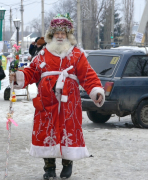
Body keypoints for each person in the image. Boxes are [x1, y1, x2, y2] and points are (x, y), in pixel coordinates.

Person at [9, 14, 105, 179]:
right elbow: (31, 72)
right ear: (51, 35)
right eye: (57, 33)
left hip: (70, 103)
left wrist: (96, 91)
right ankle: (49, 168)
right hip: (47, 102)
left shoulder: (77, 55)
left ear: (68, 35)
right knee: (47, 132)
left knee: (68, 130)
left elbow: (87, 75)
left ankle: (68, 164)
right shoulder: (42, 55)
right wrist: (18, 76)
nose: (60, 36)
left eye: (63, 33)